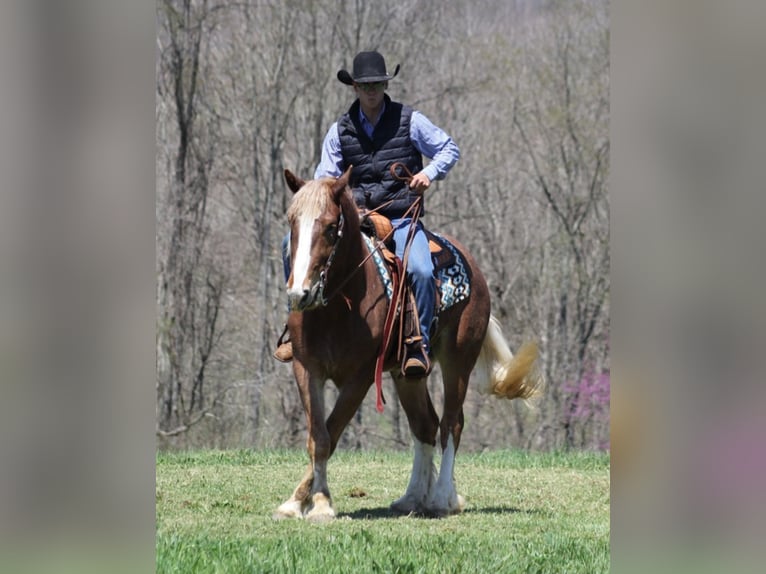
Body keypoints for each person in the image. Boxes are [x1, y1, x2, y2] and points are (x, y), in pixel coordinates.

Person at [275, 50, 460, 377]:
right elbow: (325, 178)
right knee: (286, 247)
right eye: (365, 85)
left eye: (377, 84)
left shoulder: (410, 121)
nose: (371, 90)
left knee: (421, 270)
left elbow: (448, 148)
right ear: (355, 88)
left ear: (385, 84)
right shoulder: (340, 131)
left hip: (401, 217)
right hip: (355, 221)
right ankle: (299, 325)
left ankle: (418, 345)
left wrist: (429, 173)